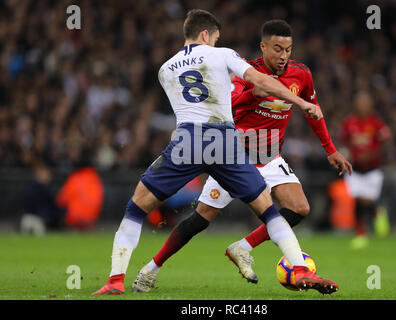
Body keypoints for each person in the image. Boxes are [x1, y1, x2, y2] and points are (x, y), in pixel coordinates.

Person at [93, 9, 338, 296]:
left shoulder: (166, 68)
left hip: (188, 141)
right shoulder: (222, 54)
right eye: (216, 37)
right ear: (207, 34)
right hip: (225, 140)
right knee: (268, 210)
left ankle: (115, 279)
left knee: (137, 207)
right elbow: (261, 82)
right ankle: (298, 268)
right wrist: (299, 101)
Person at [146, 19, 351, 284]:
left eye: (288, 50)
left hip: (268, 156)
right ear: (263, 47)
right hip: (234, 157)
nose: (283, 56)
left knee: (299, 207)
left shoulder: (301, 75)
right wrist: (254, 93)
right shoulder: (243, 72)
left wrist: (330, 149)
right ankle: (151, 268)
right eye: (277, 49)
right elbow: (226, 108)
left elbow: (313, 112)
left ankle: (242, 247)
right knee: (201, 219)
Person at [340, 91, 391, 249]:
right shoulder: (349, 123)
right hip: (355, 169)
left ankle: (377, 212)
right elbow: (343, 142)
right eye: (360, 103)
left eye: (365, 103)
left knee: (366, 200)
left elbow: (387, 141)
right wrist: (346, 155)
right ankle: (360, 234)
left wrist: (372, 154)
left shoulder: (376, 123)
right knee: (358, 200)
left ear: (370, 106)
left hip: (373, 169)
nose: (362, 106)